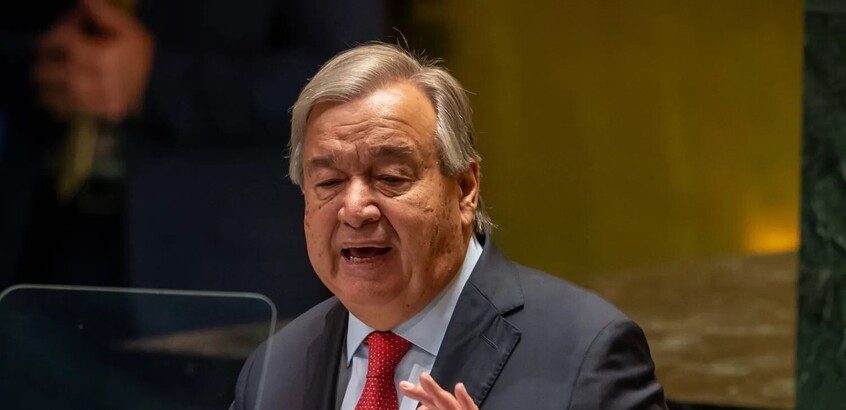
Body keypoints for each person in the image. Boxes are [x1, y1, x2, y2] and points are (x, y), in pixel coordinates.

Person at [231, 43, 667, 410]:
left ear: (465, 189)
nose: (356, 209)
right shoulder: (273, 371)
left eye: (391, 177)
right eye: (329, 182)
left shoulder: (587, 355)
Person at [0, 0, 385, 317]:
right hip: (39, 235)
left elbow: (345, 74)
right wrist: (43, 59)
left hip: (218, 263)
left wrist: (157, 78)